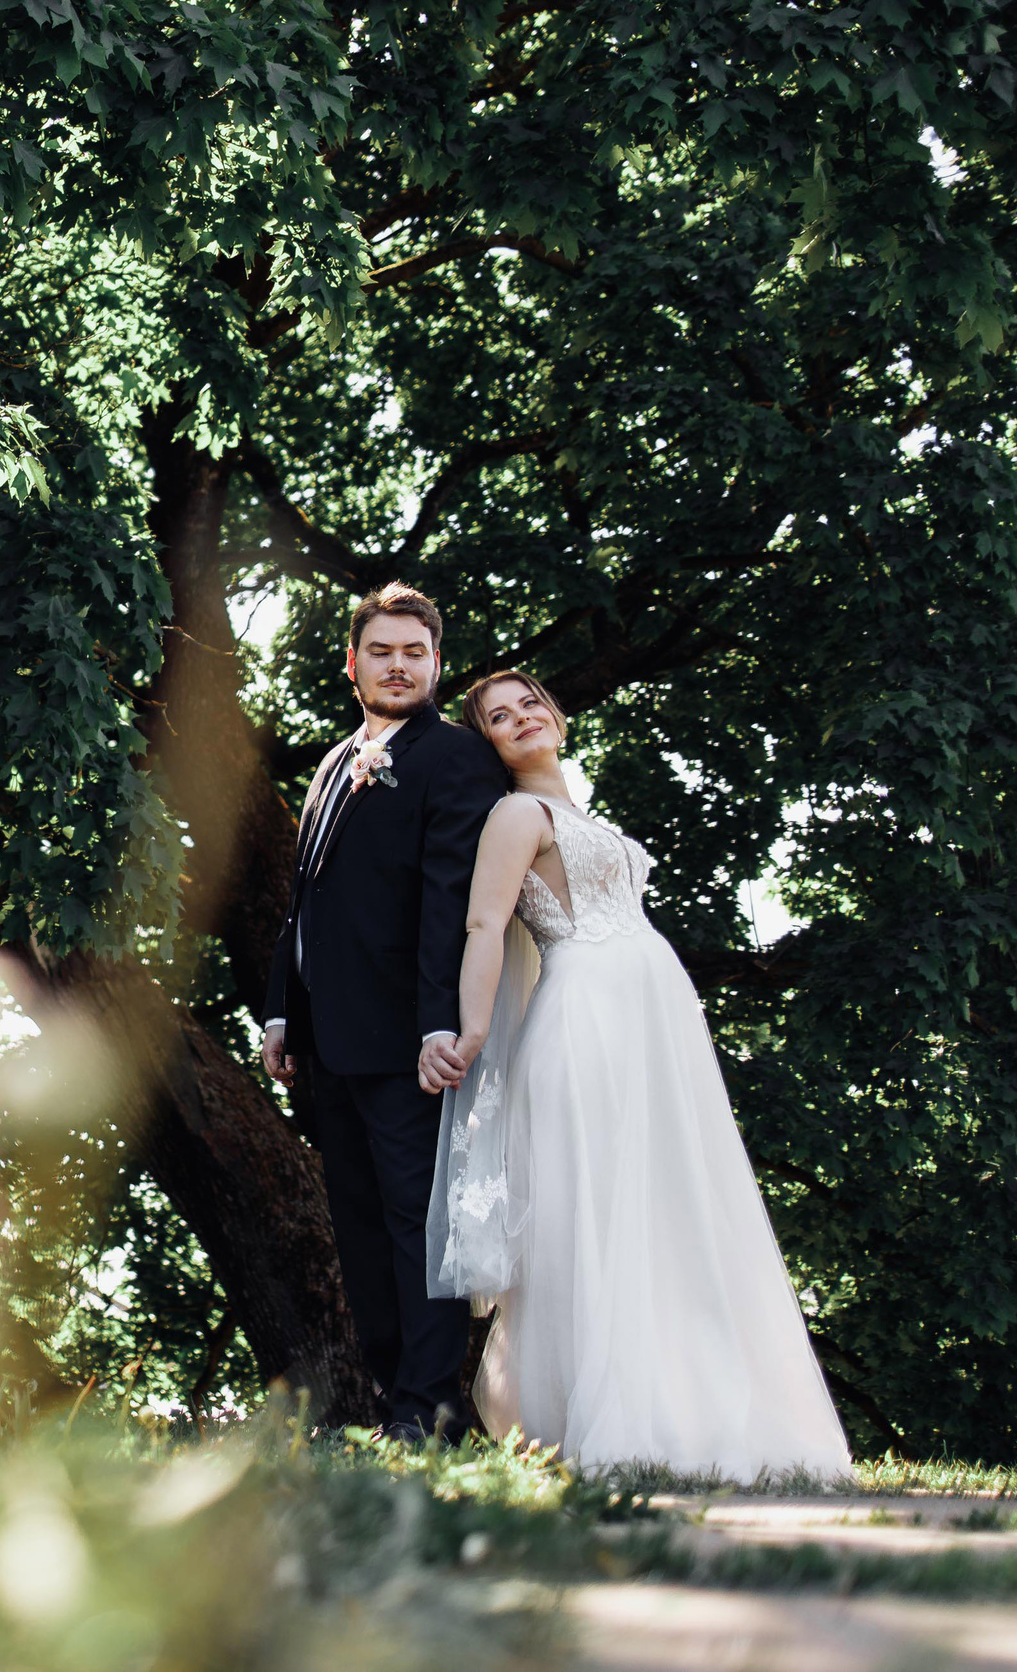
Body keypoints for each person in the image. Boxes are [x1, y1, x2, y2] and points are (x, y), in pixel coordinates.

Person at [426, 669, 852, 1480]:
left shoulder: (590, 816)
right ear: (488, 744)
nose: (519, 719)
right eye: (497, 718)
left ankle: (694, 1407)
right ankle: (612, 1419)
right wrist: (472, 1028)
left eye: (528, 705)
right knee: (603, 1205)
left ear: (556, 712)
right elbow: (485, 920)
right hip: (585, 1017)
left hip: (652, 1028)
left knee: (668, 1206)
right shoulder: (519, 814)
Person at [263, 582, 504, 1442]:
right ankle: (392, 1396)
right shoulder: (334, 761)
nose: (398, 666)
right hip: (328, 1043)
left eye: (414, 653)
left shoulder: (456, 758)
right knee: (362, 1233)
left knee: (418, 1228)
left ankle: (432, 1408)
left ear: (436, 663)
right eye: (382, 651)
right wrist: (279, 1013)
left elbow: (454, 902)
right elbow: (304, 903)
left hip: (410, 1043)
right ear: (354, 662)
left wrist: (440, 1022)